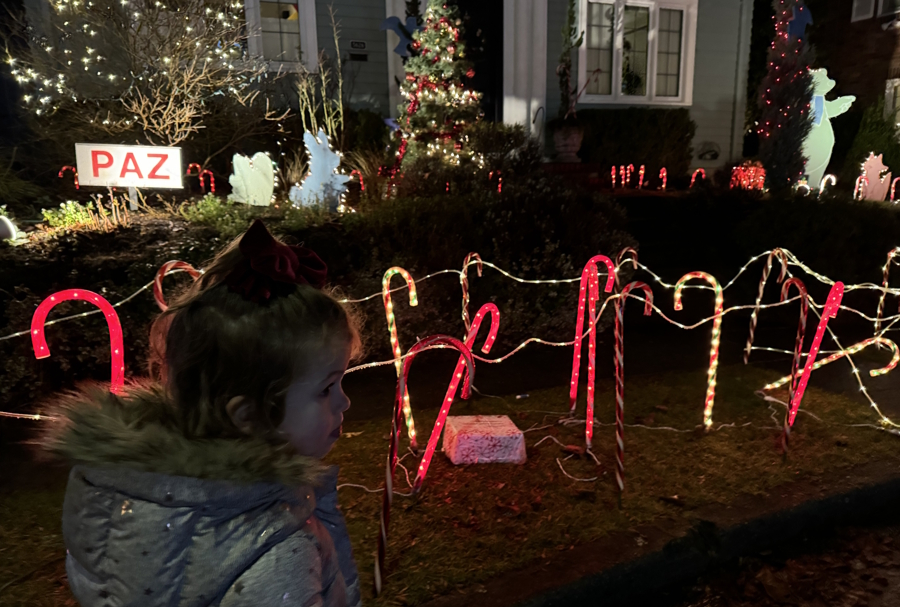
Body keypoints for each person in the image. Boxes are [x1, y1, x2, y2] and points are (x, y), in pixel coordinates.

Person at [39, 219, 363, 606]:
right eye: (327, 387)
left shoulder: (118, 498)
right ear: (248, 416)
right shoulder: (277, 550)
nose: (344, 402)